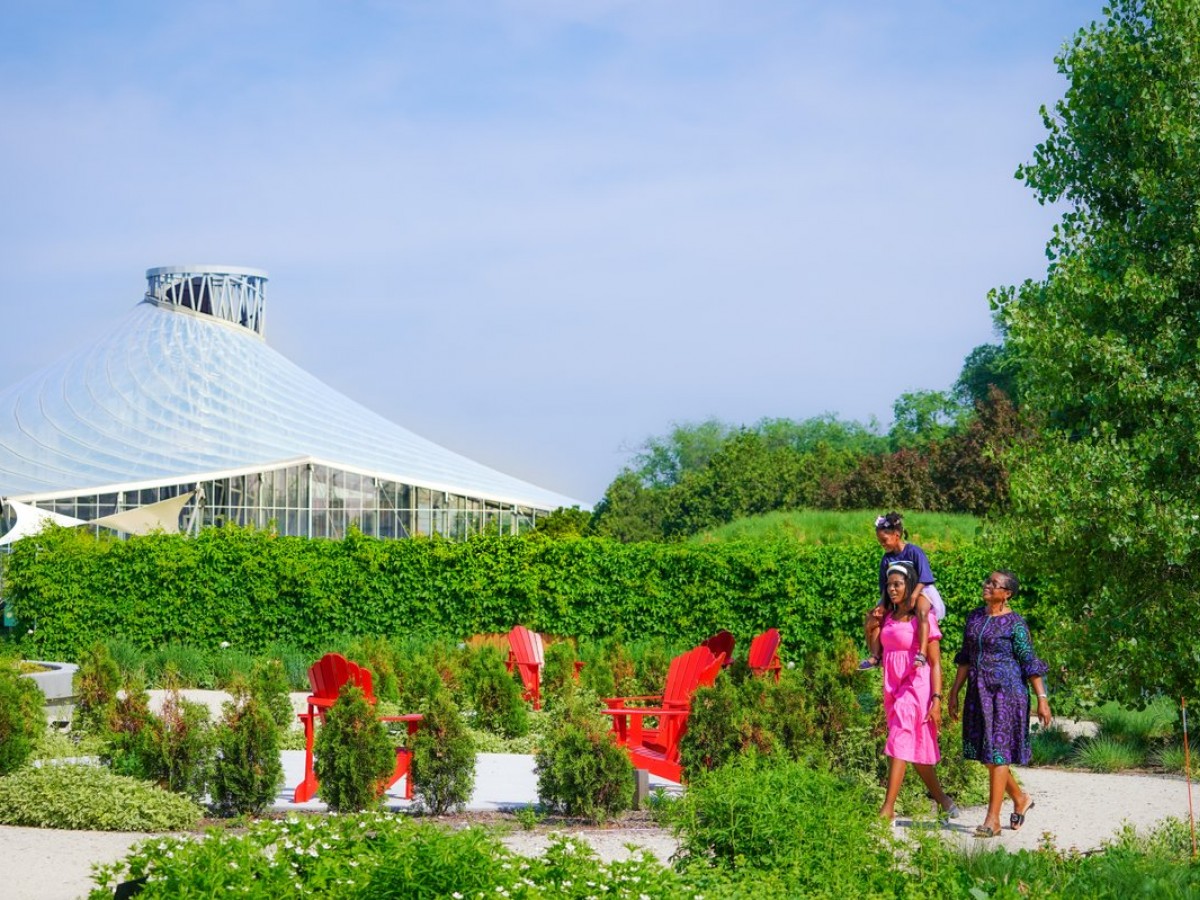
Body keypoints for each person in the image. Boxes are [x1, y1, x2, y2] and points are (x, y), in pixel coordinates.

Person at [947, 570, 1052, 838]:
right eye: (988, 581)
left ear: (1007, 594)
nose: (987, 585)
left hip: (1008, 693)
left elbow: (1029, 660)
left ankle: (992, 820)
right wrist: (954, 691)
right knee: (988, 755)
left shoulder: (1015, 623)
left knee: (999, 752)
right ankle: (1020, 798)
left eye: (994, 584)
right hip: (978, 692)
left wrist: (1042, 699)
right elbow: (966, 657)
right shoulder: (974, 617)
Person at [874, 560, 958, 822]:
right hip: (893, 686)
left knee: (899, 738)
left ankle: (887, 810)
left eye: (897, 584)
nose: (892, 589)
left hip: (917, 685)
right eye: (889, 585)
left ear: (909, 585)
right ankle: (943, 800)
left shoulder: (924, 619)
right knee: (915, 749)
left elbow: (935, 664)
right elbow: (878, 653)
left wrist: (936, 699)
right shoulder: (888, 616)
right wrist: (871, 625)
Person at [861, 511, 944, 671]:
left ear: (896, 535)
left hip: (920, 590)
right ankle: (875, 655)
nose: (882, 545)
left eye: (884, 540)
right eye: (880, 542)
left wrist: (913, 595)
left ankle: (922, 652)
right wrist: (882, 606)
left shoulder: (914, 551)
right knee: (874, 616)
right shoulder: (886, 558)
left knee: (921, 612)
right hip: (895, 593)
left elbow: (925, 577)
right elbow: (885, 585)